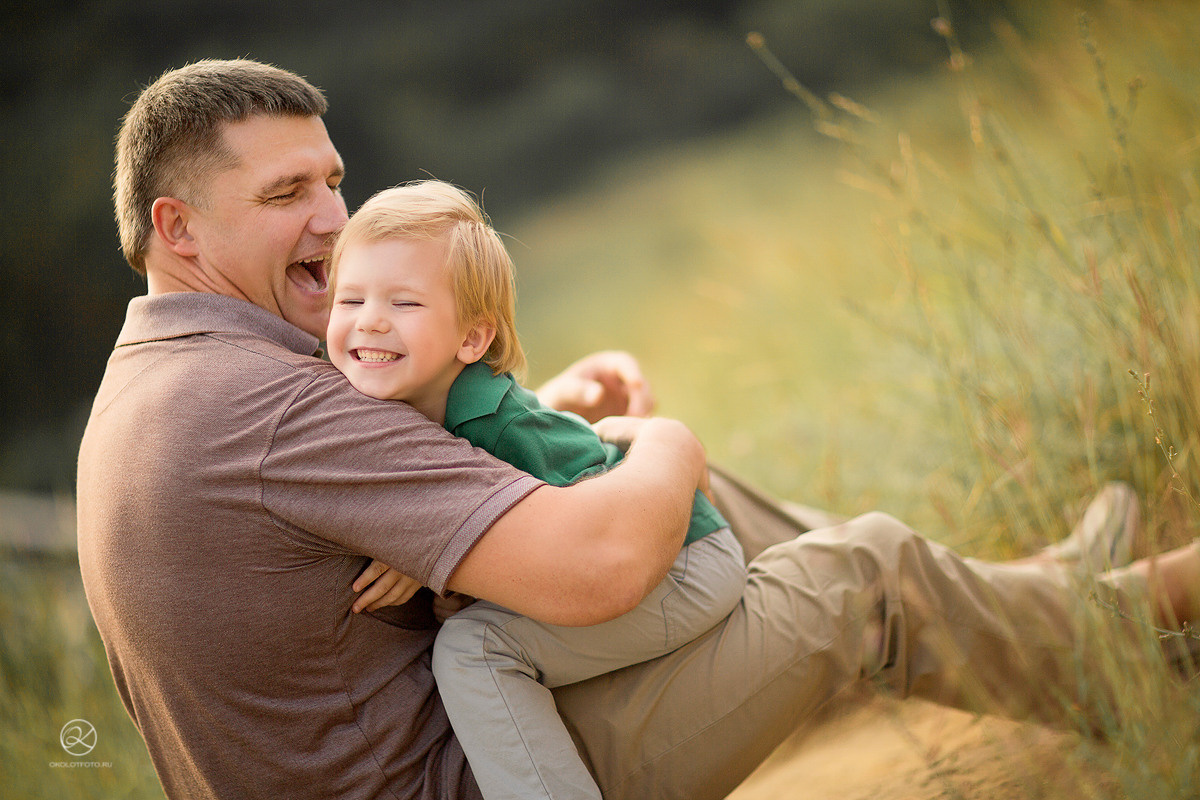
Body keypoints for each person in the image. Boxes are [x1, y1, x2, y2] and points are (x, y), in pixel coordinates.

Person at [78, 58, 1200, 800]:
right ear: (178, 226)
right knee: (859, 568)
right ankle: (1127, 627)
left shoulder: (167, 380)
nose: (334, 217)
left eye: (333, 179)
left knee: (660, 492)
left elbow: (339, 490)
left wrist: (551, 411)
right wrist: (671, 444)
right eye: (287, 195)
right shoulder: (269, 404)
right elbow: (605, 563)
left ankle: (1052, 596)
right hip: (494, 769)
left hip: (451, 745)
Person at [323, 180, 748, 800]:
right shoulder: (410, 403)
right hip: (665, 559)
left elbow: (603, 534)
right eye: (349, 299)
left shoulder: (501, 427)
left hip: (682, 564)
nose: (371, 321)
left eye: (405, 304)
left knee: (474, 649)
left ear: (472, 339)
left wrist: (432, 545)